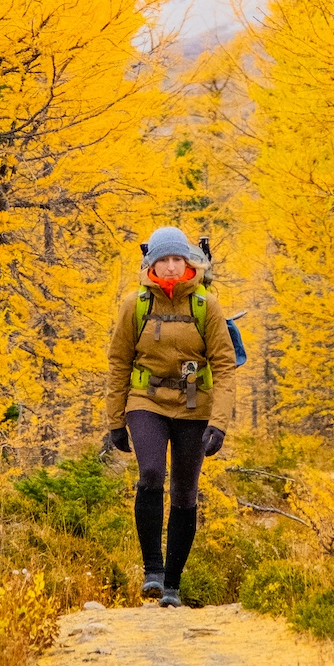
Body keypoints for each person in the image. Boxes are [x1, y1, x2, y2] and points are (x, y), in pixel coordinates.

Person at [106, 225, 235, 607]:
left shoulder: (205, 305)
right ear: (152, 264)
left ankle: (173, 588)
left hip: (195, 404)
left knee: (184, 492)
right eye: (165, 260)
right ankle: (153, 571)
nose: (173, 267)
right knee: (150, 473)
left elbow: (225, 366)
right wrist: (115, 420)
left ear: (189, 262)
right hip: (145, 399)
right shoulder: (136, 305)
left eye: (179, 259)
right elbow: (118, 362)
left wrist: (220, 423)